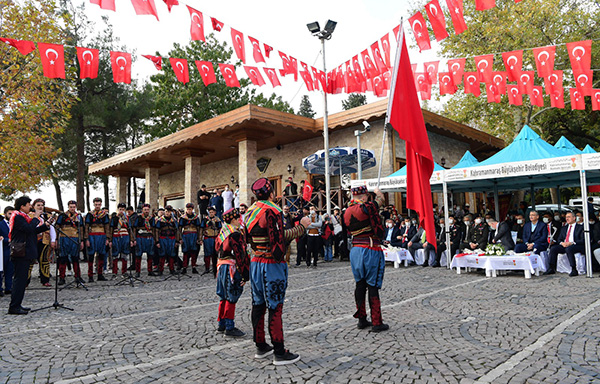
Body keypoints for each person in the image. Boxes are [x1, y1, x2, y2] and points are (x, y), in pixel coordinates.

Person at [244, 177, 310, 365]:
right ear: (271, 193)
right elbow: (280, 239)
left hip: (255, 261)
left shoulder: (249, 211)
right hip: (271, 264)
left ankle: (260, 345)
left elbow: (247, 238)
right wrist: (301, 227)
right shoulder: (273, 211)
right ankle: (279, 351)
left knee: (258, 304)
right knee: (275, 306)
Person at [342, 186, 388, 332]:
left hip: (355, 250)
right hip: (370, 248)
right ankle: (376, 322)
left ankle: (362, 319)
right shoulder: (366, 207)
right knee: (372, 285)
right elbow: (381, 200)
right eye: (367, 196)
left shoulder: (346, 211)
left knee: (360, 284)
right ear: (363, 197)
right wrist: (377, 192)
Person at [8, 196, 51, 315]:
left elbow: (32, 231)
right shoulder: (18, 217)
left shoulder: (24, 217)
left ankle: (18, 304)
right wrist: (36, 217)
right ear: (22, 206)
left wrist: (45, 226)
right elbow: (28, 229)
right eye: (28, 205)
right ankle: (14, 306)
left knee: (21, 280)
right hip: (21, 252)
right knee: (19, 280)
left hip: (25, 251)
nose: (30, 207)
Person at [215, 208, 250, 337]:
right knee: (232, 294)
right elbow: (240, 254)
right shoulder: (235, 234)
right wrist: (245, 274)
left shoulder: (222, 232)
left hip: (221, 266)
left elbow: (217, 249)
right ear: (234, 219)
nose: (239, 221)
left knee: (223, 295)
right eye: (238, 219)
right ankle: (229, 326)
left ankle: (221, 323)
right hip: (231, 267)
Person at [55, 200, 85, 285]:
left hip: (75, 238)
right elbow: (57, 227)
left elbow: (81, 229)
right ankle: (62, 277)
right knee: (63, 258)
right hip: (64, 238)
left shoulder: (78, 216)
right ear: (68, 207)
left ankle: (78, 276)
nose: (72, 208)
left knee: (75, 258)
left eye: (74, 207)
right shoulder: (62, 216)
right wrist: (56, 239)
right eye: (71, 207)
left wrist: (81, 240)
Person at [546, 211, 584, 276]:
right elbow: (559, 239)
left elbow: (583, 240)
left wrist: (571, 243)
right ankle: (551, 268)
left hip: (576, 245)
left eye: (569, 217)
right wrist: (562, 243)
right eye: (566, 217)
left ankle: (574, 269)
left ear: (574, 218)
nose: (567, 219)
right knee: (553, 248)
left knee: (569, 249)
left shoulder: (580, 227)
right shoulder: (564, 228)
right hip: (565, 245)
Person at [30, 198, 55, 287]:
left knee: (44, 260)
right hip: (32, 241)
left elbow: (51, 228)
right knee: (30, 261)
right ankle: (26, 280)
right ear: (33, 206)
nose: (40, 207)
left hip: (44, 240)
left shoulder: (46, 216)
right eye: (38, 205)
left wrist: (53, 240)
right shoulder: (30, 215)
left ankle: (45, 280)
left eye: (42, 205)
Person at [85, 198, 110, 282]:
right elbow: (86, 227)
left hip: (102, 236)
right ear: (93, 204)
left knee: (102, 255)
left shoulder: (104, 215)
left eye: (99, 205)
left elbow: (107, 227)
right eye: (96, 205)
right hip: (92, 235)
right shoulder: (90, 214)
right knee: (91, 256)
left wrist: (108, 238)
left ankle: (100, 274)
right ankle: (90, 275)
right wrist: (86, 239)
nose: (97, 206)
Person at [154, 206, 180, 275]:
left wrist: (177, 240)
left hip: (172, 238)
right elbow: (156, 231)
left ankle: (172, 269)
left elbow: (177, 231)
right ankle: (160, 270)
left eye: (169, 211)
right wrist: (157, 241)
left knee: (172, 254)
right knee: (162, 254)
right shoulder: (160, 220)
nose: (167, 213)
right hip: (163, 238)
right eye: (166, 211)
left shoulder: (174, 220)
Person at [109, 203, 133, 279]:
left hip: (125, 237)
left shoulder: (127, 218)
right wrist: (110, 239)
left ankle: (124, 272)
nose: (121, 211)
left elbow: (130, 229)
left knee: (124, 254)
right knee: (115, 255)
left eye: (123, 209)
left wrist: (131, 239)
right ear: (118, 210)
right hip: (116, 236)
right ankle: (114, 272)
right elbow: (111, 229)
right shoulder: (114, 218)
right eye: (120, 209)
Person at [133, 204, 155, 277]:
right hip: (140, 238)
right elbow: (134, 228)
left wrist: (155, 239)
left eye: (147, 210)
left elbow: (154, 229)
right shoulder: (138, 218)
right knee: (138, 255)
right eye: (145, 210)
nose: (146, 211)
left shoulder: (152, 218)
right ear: (142, 210)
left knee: (150, 255)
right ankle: (137, 271)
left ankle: (150, 270)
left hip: (149, 237)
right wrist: (134, 239)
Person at [179, 203, 202, 274]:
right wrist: (180, 238)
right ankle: (184, 267)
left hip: (194, 235)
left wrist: (199, 238)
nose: (189, 210)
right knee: (186, 252)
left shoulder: (196, 217)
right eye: (188, 209)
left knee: (194, 252)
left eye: (190, 209)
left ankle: (193, 267)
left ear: (192, 209)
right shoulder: (183, 218)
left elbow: (199, 228)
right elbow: (179, 229)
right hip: (186, 235)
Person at [201, 206, 222, 276]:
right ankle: (207, 268)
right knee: (207, 254)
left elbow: (220, 229)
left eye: (212, 212)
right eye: (210, 212)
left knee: (214, 254)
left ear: (215, 212)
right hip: (207, 238)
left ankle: (214, 268)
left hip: (215, 237)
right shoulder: (205, 219)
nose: (211, 213)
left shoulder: (217, 220)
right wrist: (200, 238)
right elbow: (202, 229)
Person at [1, 206, 14, 295]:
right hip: (3, 250)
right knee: (1, 271)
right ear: (5, 214)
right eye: (9, 213)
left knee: (10, 270)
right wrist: (6, 240)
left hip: (13, 250)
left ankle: (9, 288)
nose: (11, 215)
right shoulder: (1, 224)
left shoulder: (15, 224)